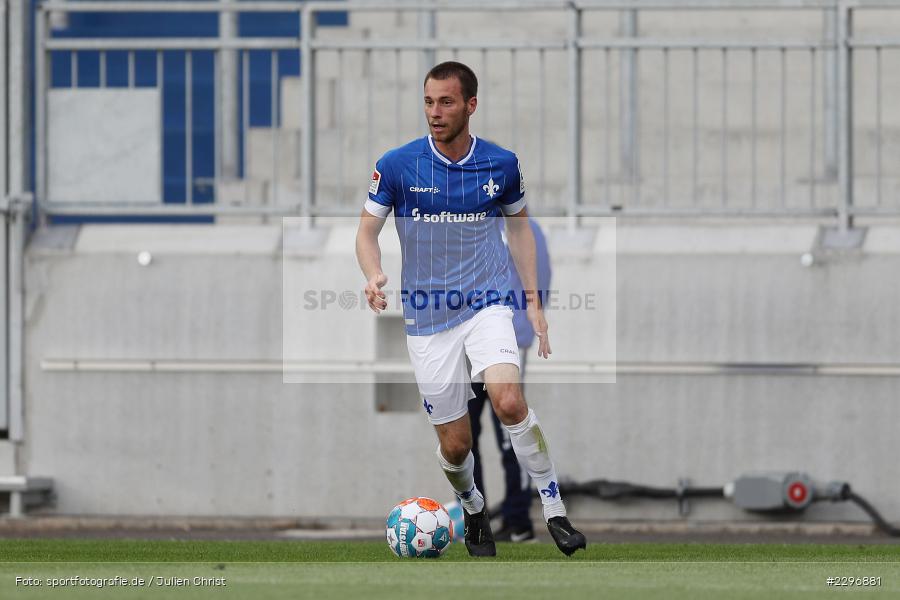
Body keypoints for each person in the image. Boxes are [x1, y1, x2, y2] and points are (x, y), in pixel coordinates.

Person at [355, 61, 585, 557]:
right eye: (428, 102)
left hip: (488, 303)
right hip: (426, 316)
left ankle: (555, 511)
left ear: (470, 105)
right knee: (456, 446)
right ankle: (473, 506)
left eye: (446, 102)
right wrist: (373, 274)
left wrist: (533, 304)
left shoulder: (502, 165)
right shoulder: (397, 165)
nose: (435, 113)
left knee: (508, 401)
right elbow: (366, 231)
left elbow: (520, 228)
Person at [469, 217, 551, 543]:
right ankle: (480, 521)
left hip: (505, 342)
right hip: (471, 342)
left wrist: (522, 329)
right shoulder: (476, 225)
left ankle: (518, 521)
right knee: (466, 434)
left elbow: (538, 282)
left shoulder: (522, 229)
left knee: (511, 431)